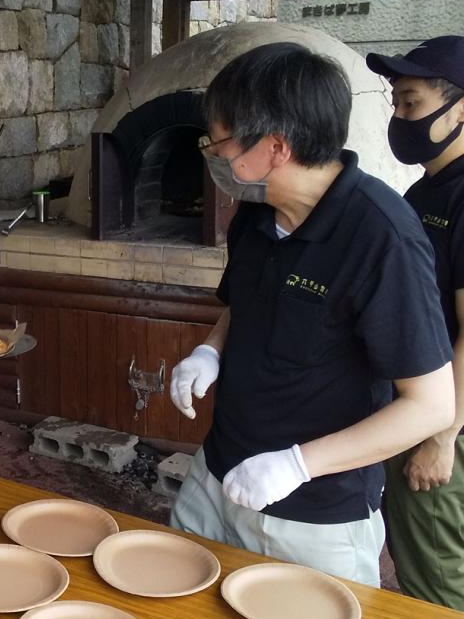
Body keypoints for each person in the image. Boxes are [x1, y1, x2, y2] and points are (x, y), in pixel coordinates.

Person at [169, 41, 455, 586]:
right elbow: (246, 304)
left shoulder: (382, 236)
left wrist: (295, 465)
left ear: (276, 146)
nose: (211, 155)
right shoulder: (255, 215)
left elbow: (431, 406)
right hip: (216, 475)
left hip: (314, 513)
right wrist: (209, 350)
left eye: (220, 140)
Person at [366, 36, 464, 608]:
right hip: (419, 408)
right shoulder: (427, 189)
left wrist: (440, 433)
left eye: (411, 103)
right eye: (396, 105)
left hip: (441, 421)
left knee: (435, 582)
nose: (399, 118)